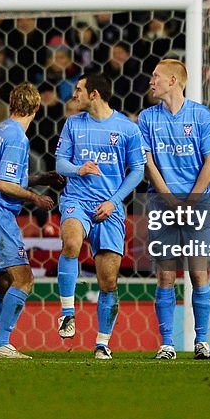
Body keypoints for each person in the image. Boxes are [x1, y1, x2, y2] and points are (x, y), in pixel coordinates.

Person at [54, 73, 145, 359]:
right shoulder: (72, 124)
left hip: (109, 209)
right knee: (71, 242)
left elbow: (138, 170)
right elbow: (60, 163)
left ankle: (102, 343)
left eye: (78, 90)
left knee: (109, 281)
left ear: (94, 94)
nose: (74, 95)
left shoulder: (126, 129)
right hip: (77, 201)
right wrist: (78, 169)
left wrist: (114, 201)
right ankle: (67, 314)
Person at [138, 60, 210, 360]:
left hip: (198, 203)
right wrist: (172, 201)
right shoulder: (147, 118)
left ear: (173, 81)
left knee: (198, 274)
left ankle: (201, 342)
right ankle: (167, 344)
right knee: (166, 276)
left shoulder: (200, 115)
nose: (151, 80)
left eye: (156, 76)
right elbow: (149, 164)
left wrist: (192, 201)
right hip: (162, 203)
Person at [0, 83, 60, 359]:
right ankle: (2, 343)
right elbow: (3, 184)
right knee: (23, 279)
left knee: (1, 283)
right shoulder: (17, 138)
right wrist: (35, 197)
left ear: (12, 103)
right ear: (36, 108)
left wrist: (39, 178)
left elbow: (3, 176)